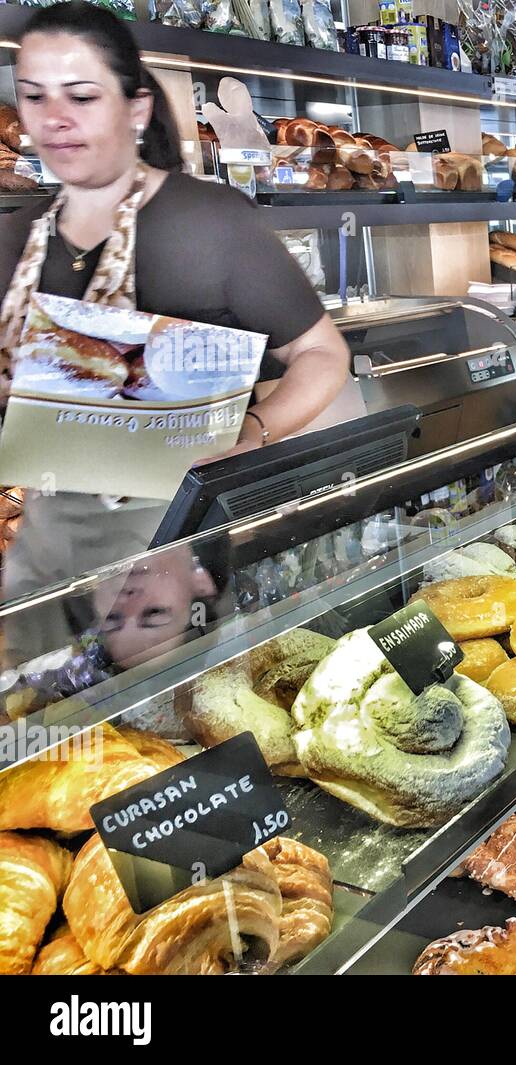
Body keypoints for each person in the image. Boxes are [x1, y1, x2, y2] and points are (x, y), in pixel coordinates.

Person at [0, 2, 350, 659]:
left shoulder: (211, 224)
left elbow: (322, 354)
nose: (55, 118)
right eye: (34, 97)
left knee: (181, 728)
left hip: (180, 550)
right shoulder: (16, 237)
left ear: (134, 110)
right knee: (51, 743)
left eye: (80, 95)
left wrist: (253, 431)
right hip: (49, 575)